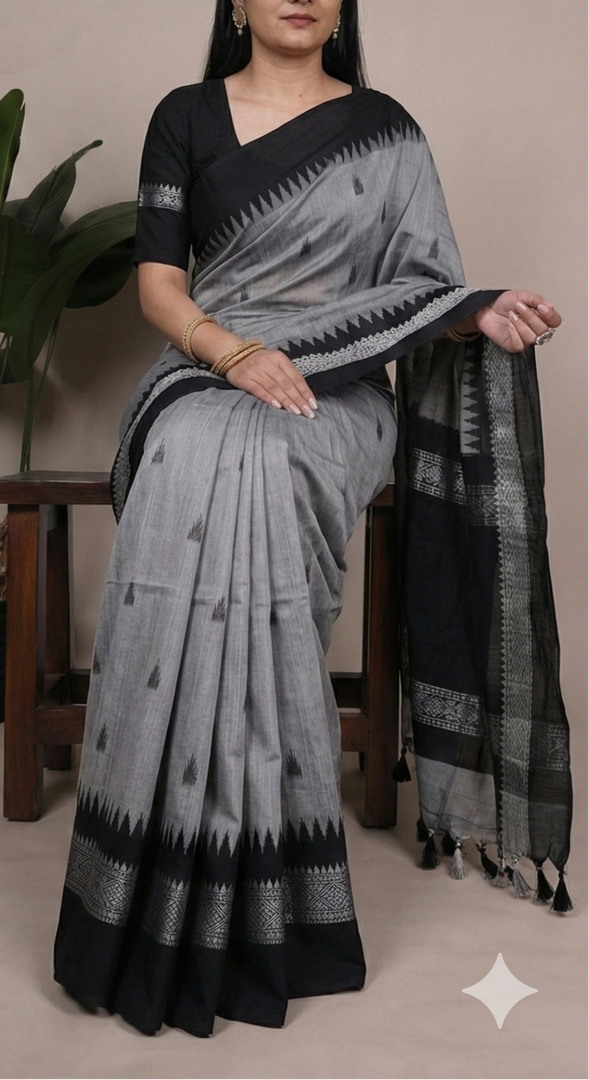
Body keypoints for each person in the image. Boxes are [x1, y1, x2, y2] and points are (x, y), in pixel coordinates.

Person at [53, 0, 571, 1039]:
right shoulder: (187, 116)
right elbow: (159, 285)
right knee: (208, 446)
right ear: (235, 2)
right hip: (208, 364)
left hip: (334, 396)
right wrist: (233, 353)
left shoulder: (386, 129)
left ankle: (266, 885)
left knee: (259, 456)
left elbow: (421, 287)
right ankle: (154, 884)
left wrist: (476, 310)